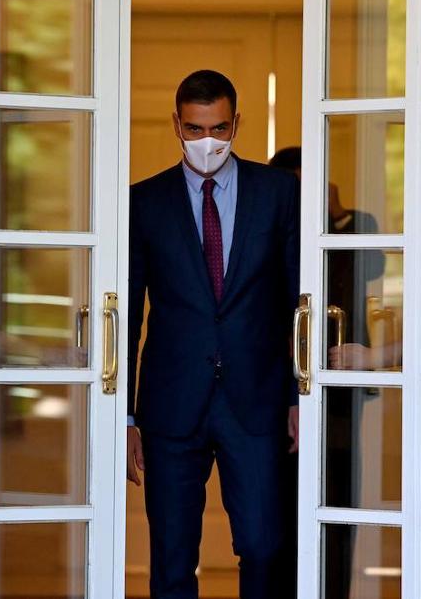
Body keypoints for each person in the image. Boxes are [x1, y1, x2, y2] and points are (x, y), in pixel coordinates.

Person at [126, 70, 300, 599]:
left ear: (237, 124)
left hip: (258, 399)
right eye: (197, 128)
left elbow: (299, 302)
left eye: (221, 129)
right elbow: (127, 311)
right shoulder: (143, 202)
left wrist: (298, 394)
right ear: (176, 125)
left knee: (265, 547)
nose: (209, 141)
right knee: (173, 559)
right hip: (171, 406)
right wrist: (126, 415)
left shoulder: (277, 194)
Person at [268, 146, 383, 599]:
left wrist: (333, 214)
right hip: (270, 389)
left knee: (335, 501)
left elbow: (373, 266)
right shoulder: (265, 230)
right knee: (274, 510)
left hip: (337, 388)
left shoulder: (352, 226)